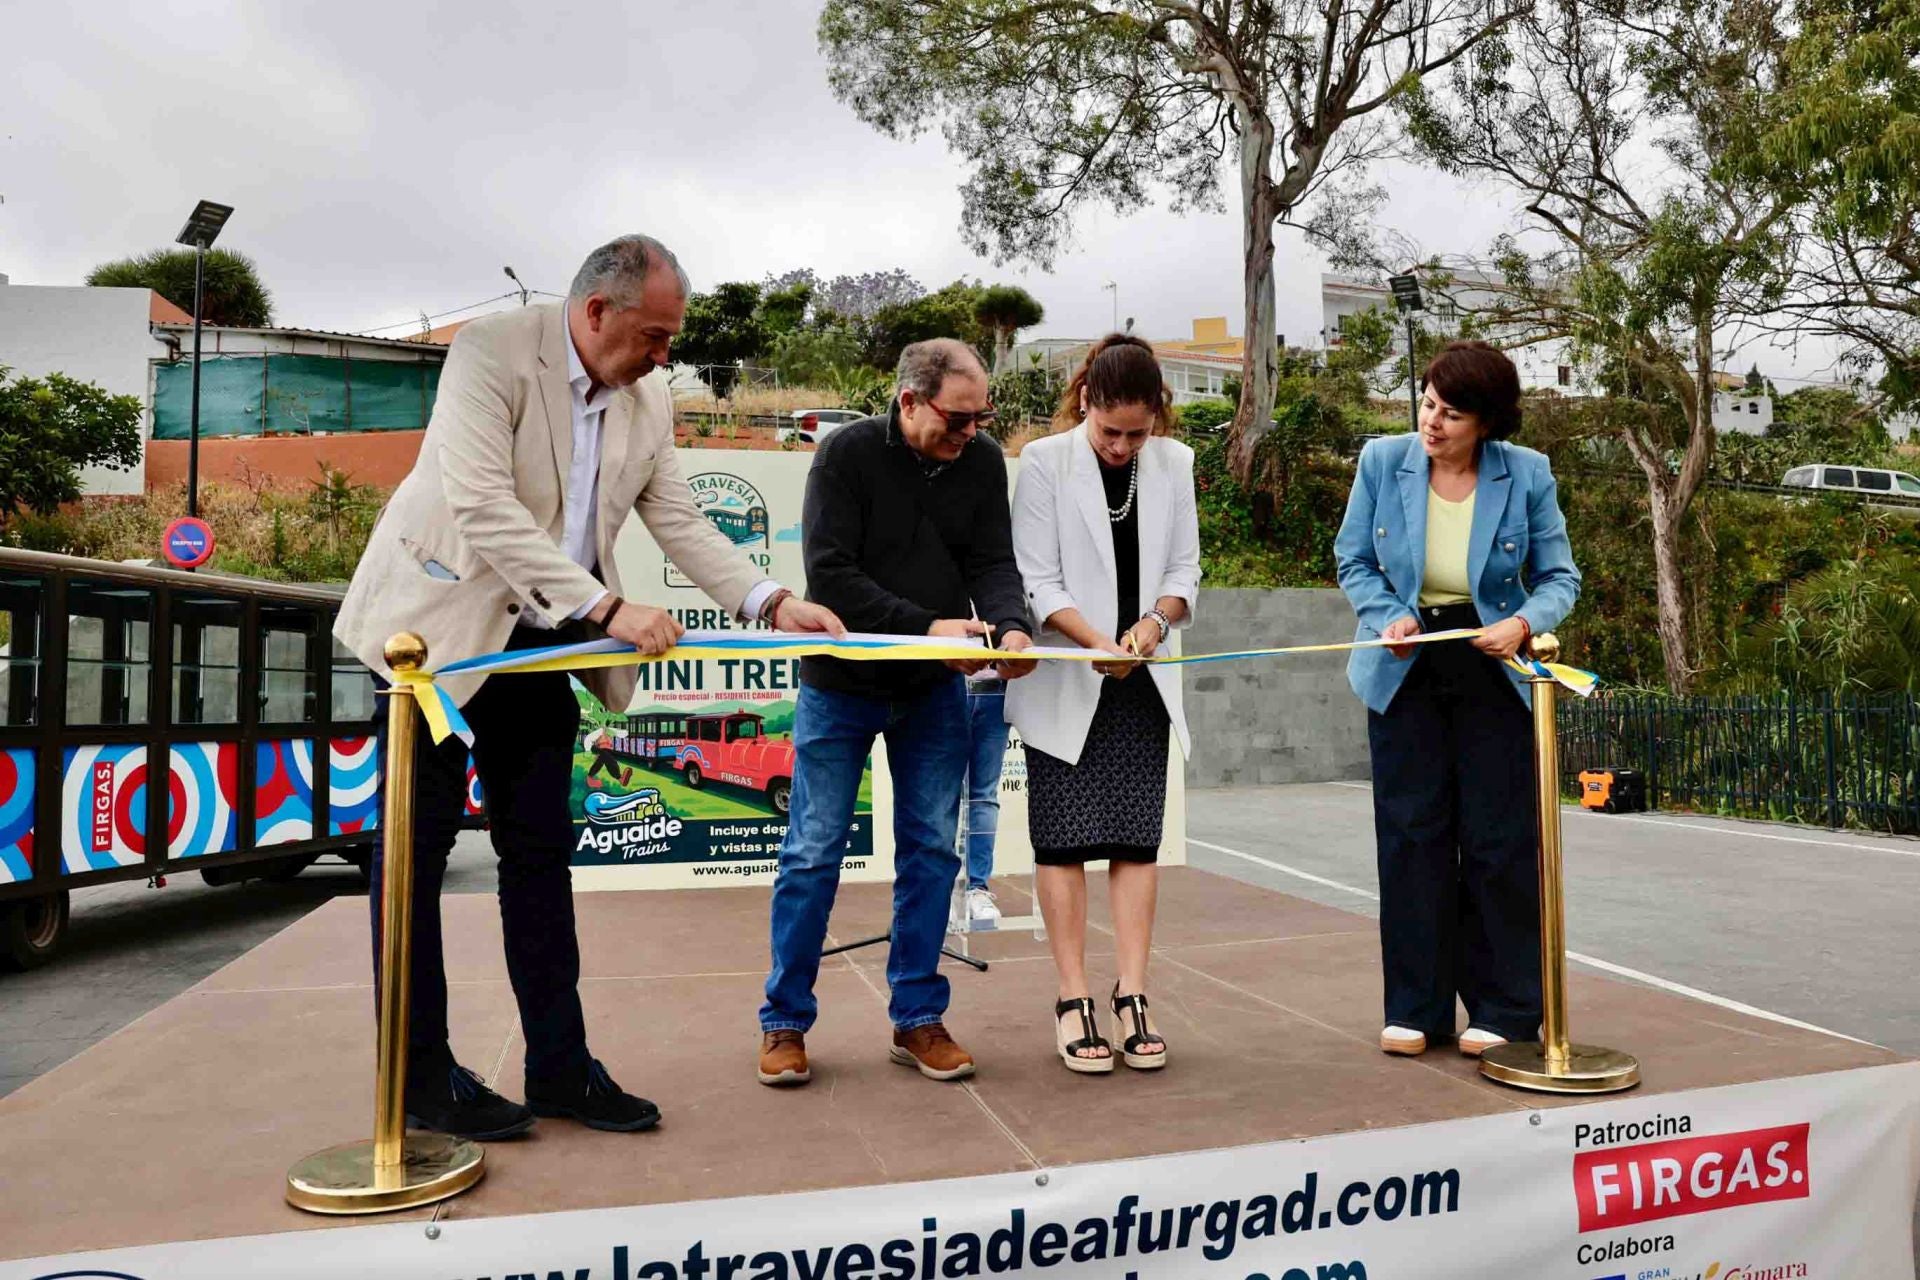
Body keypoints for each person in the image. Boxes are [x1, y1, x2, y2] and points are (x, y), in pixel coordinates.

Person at [335, 235, 843, 1139]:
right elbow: (485, 505)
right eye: (653, 335)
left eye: (670, 339)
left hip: (541, 648)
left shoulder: (647, 402)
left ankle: (560, 1068)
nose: (664, 356)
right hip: (436, 645)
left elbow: (679, 520)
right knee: (411, 859)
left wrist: (774, 600)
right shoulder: (490, 354)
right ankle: (416, 1076)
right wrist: (607, 607)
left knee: (540, 857)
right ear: (596, 310)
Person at [758, 338, 1036, 1088]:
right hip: (840, 684)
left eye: (982, 418)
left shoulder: (979, 462)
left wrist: (1011, 626)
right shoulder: (845, 455)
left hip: (933, 692)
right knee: (813, 851)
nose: (971, 433)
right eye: (958, 418)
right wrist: (925, 629)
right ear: (910, 400)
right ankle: (783, 1024)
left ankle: (917, 1018)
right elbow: (831, 578)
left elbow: (993, 562)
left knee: (930, 852)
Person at [1333, 339, 1581, 1060]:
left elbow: (1560, 577)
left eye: (1452, 414)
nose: (1432, 423)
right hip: (1406, 664)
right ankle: (1416, 1008)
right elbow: (1353, 559)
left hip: (1492, 665)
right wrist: (1388, 617)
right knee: (1411, 837)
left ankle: (1506, 1009)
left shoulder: (1527, 474)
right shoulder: (1383, 461)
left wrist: (1522, 623)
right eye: (1429, 405)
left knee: (1501, 842)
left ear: (1488, 425)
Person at [1006, 334, 1201, 1074]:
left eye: (1138, 433)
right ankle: (1072, 997)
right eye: (1111, 431)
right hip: (1070, 674)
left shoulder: (1175, 463)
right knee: (1061, 840)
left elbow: (1186, 567)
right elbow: (1036, 578)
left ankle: (1134, 994)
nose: (1123, 446)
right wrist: (1095, 642)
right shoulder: (1045, 462)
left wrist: (1153, 626)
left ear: (1157, 418)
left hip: (1144, 678)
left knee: (1134, 841)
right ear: (1085, 400)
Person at [955, 668, 1008, 928]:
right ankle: (940, 893)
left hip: (996, 689)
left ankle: (977, 888)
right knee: (941, 796)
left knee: (983, 796)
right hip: (946, 688)